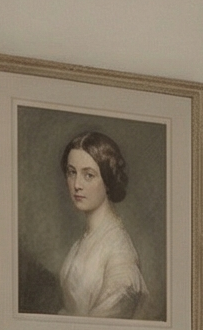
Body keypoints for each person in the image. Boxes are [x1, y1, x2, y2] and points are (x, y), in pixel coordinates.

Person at [56, 130, 146, 318]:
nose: (77, 184)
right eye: (72, 172)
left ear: (107, 180)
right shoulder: (86, 238)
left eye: (88, 175)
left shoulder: (119, 252)